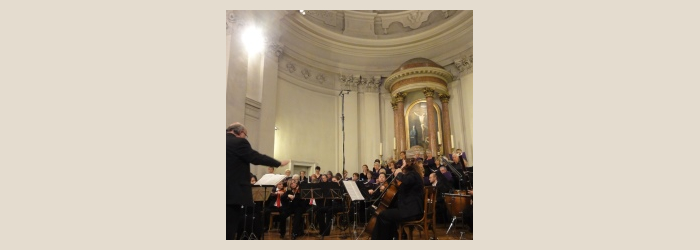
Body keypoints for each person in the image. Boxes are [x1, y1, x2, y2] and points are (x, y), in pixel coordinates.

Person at [227, 122, 289, 240]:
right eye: (246, 135)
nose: (245, 137)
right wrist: (278, 163)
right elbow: (256, 157)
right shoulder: (239, 142)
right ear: (240, 133)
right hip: (231, 192)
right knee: (228, 228)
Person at [371, 162, 424, 240]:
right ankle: (394, 237)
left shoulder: (413, 175)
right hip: (410, 210)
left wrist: (399, 173)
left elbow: (406, 180)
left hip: (411, 212)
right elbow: (403, 190)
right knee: (387, 215)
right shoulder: (414, 177)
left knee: (382, 216)